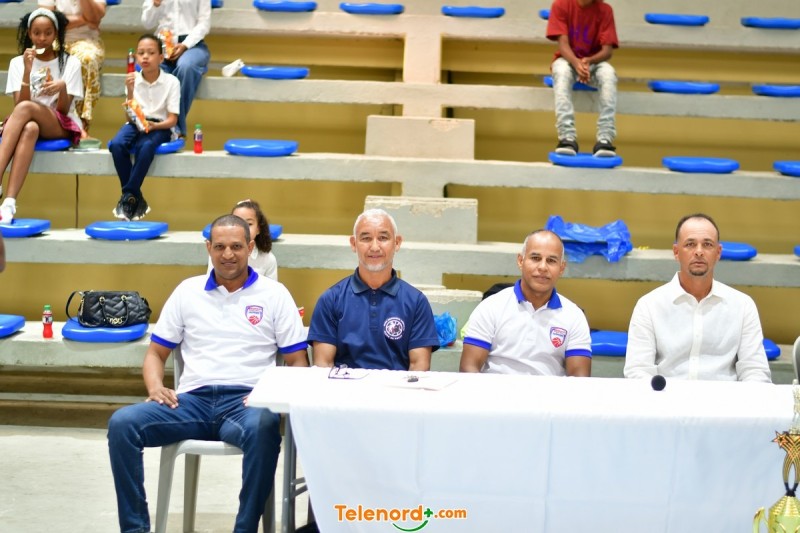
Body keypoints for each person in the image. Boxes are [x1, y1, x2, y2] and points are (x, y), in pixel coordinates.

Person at [107, 214, 309, 533]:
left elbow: (298, 362)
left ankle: (244, 529)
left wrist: (271, 397)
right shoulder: (187, 292)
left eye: (236, 246)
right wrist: (156, 387)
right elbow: (156, 354)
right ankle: (135, 529)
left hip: (247, 404)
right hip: (190, 403)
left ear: (250, 248)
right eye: (220, 247)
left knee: (264, 425)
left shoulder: (275, 294)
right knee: (122, 424)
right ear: (208, 248)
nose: (228, 254)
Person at [624, 213, 772, 382]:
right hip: (667, 397)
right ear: (676, 252)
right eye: (690, 244)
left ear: (718, 252)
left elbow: (755, 370)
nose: (699, 252)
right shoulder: (649, 305)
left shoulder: (743, 305)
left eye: (707, 244)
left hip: (724, 398)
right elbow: (638, 371)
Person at [308, 208, 439, 371]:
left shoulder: (416, 302)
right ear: (353, 243)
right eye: (366, 238)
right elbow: (323, 367)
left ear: (397, 243)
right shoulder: (330, 300)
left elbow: (418, 369)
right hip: (345, 387)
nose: (375, 247)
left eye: (383, 238)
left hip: (397, 387)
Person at [460, 229, 592, 376]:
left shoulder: (574, 316)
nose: (542, 267)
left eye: (551, 261)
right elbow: (468, 368)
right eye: (535, 258)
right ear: (520, 261)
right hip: (496, 390)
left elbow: (580, 379)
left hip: (548, 391)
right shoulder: (490, 307)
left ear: (561, 268)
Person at [0, 9, 83, 225]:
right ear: (29, 33)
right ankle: (9, 203)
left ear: (56, 33)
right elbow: (19, 105)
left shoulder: (70, 62)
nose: (42, 38)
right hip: (27, 120)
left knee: (27, 109)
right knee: (30, 129)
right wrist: (27, 71)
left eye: (48, 32)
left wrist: (62, 87)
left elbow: (63, 110)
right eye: (37, 33)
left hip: (60, 124)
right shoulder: (18, 62)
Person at [108, 34, 179, 221]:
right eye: (141, 53)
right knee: (116, 144)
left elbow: (172, 120)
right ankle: (134, 197)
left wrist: (155, 126)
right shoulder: (132, 80)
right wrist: (130, 91)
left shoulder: (172, 82)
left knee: (145, 146)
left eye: (151, 53)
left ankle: (128, 196)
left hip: (160, 125)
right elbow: (128, 117)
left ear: (161, 58)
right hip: (135, 122)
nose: (145, 57)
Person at [546, 0, 618, 157]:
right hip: (568, 60)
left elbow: (607, 51)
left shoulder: (605, 10)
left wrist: (588, 61)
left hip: (594, 62)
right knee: (561, 71)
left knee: (609, 73)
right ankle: (567, 137)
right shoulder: (560, 5)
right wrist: (576, 63)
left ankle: (605, 139)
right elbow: (563, 44)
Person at [141, 0, 210, 137]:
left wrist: (185, 45)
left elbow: (204, 23)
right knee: (152, 70)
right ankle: (154, 128)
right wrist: (155, 5)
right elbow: (147, 23)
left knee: (186, 66)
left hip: (193, 44)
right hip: (162, 44)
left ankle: (174, 127)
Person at [38, 0, 106, 138]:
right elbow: (47, 21)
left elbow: (96, 16)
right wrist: (85, 20)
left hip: (87, 40)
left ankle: (80, 124)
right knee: (39, 55)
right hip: (54, 39)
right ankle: (46, 120)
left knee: (87, 59)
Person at [207, 199, 277, 280]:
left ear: (258, 228)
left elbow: (272, 286)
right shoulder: (217, 253)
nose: (244, 228)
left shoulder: (268, 259)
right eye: (237, 223)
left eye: (249, 224)